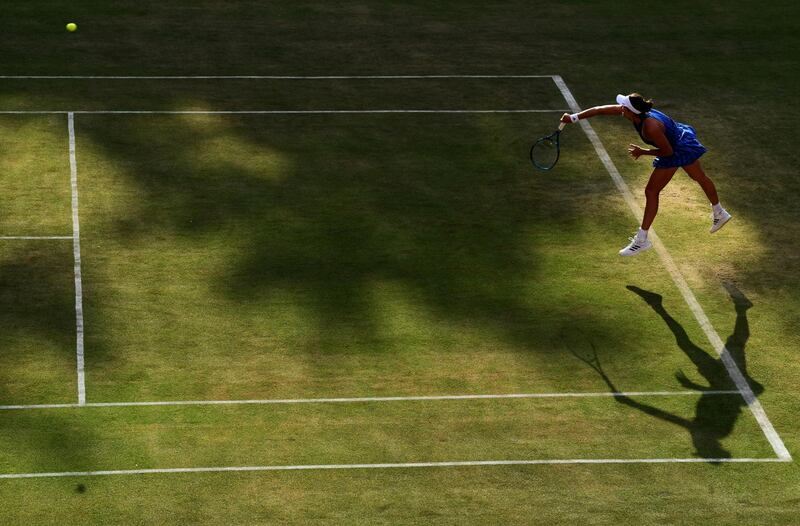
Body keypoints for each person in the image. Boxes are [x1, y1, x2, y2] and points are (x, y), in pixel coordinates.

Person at [560, 93, 732, 256]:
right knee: (699, 177)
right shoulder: (635, 112)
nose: (620, 107)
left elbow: (667, 151)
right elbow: (600, 110)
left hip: (676, 149)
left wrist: (643, 151)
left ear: (629, 111)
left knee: (651, 191)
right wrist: (574, 118)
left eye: (623, 106)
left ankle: (642, 240)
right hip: (679, 139)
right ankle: (719, 212)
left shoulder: (650, 127)